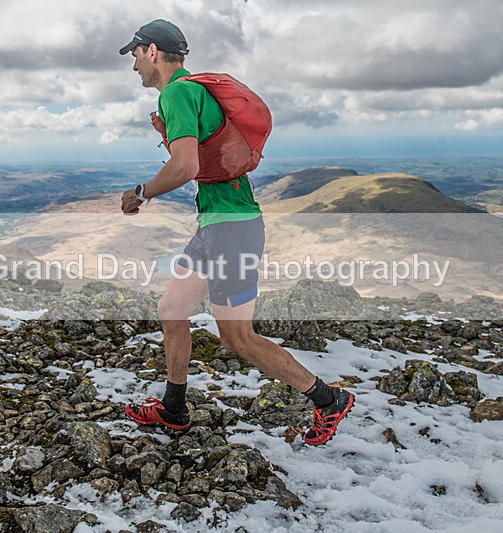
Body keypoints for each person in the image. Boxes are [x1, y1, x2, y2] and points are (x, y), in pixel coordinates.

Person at [118, 19, 353, 445]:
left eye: (134, 55)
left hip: (232, 231)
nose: (133, 66)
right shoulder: (192, 90)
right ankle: (173, 409)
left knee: (237, 337)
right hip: (216, 227)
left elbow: (186, 165)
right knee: (172, 310)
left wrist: (142, 192)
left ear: (152, 51)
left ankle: (329, 400)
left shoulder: (176, 92)